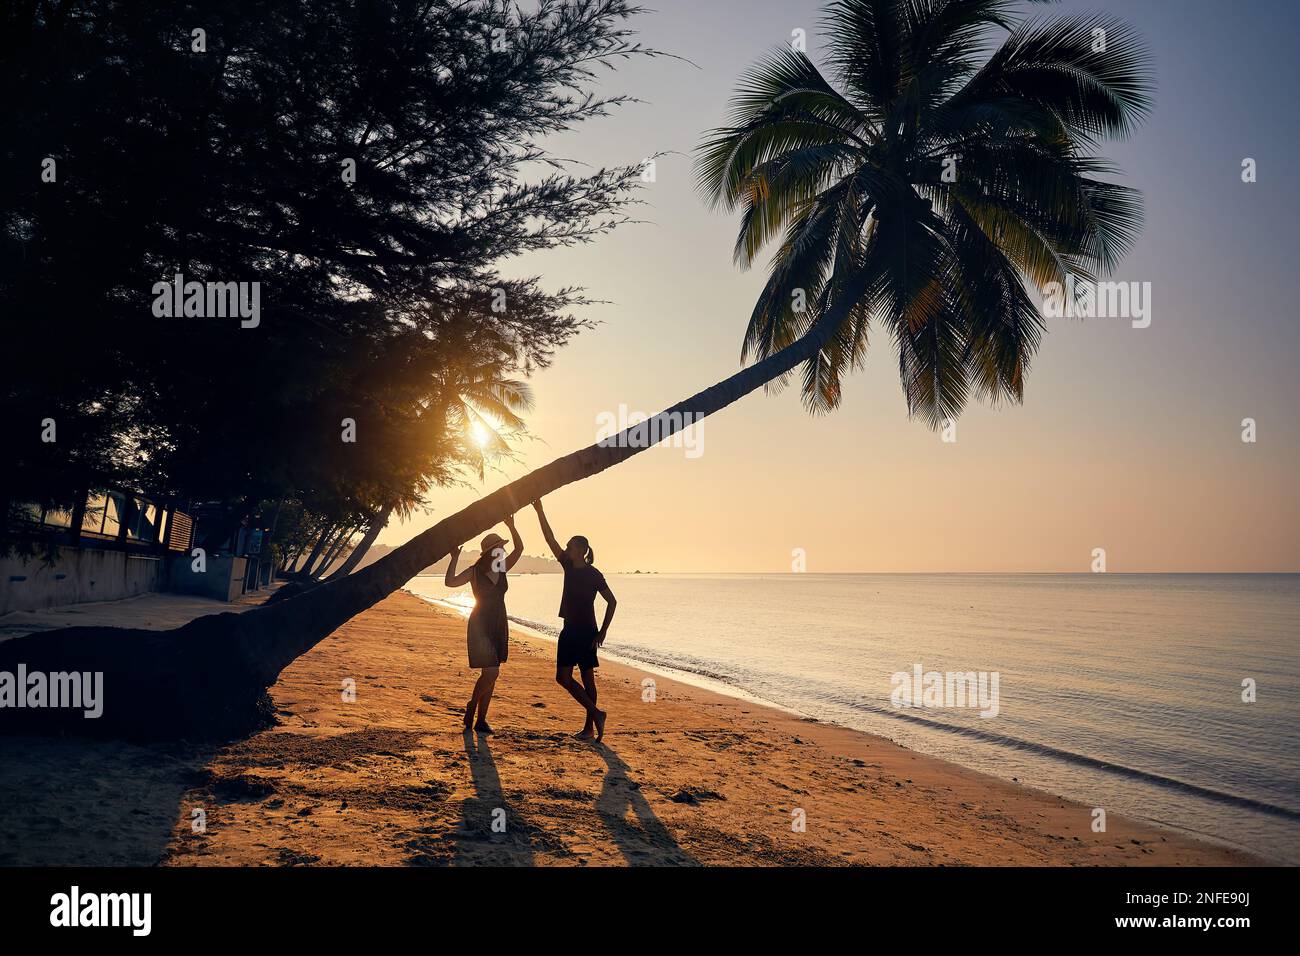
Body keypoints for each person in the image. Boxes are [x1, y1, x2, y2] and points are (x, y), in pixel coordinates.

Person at [532, 498, 616, 741]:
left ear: (581, 550)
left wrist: (602, 632)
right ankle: (596, 715)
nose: (566, 549)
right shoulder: (569, 566)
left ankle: (590, 727)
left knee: (587, 678)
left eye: (570, 547)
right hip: (569, 630)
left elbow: (612, 602)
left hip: (587, 632)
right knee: (563, 678)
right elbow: (550, 539)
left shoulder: (594, 574)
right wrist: (540, 511)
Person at [445, 513, 523, 734]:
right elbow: (450, 582)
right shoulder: (474, 572)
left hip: (498, 622)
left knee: (491, 672)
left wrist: (512, 526)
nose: (504, 550)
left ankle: (481, 720)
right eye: (500, 547)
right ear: (492, 551)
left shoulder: (502, 567)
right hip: (480, 622)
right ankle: (471, 706)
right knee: (491, 672)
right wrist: (454, 558)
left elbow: (519, 549)